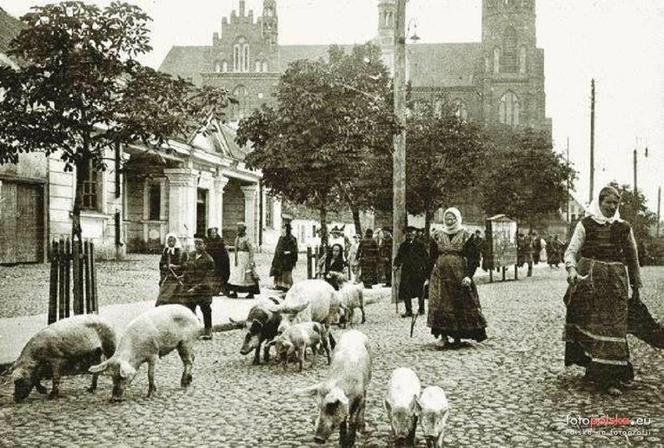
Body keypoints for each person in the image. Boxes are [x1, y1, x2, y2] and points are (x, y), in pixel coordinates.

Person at [564, 185, 664, 395]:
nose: (611, 206)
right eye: (607, 202)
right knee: (594, 324)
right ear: (599, 203)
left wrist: (636, 287)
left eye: (615, 203)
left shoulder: (624, 227)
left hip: (617, 283)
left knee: (614, 327)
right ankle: (598, 373)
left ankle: (612, 375)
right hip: (590, 281)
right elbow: (571, 251)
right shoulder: (586, 224)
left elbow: (633, 258)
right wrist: (572, 270)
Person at [428, 207, 487, 348]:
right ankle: (443, 337)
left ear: (457, 219)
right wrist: (429, 273)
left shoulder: (466, 235)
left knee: (458, 304)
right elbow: (431, 256)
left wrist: (468, 276)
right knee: (441, 304)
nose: (449, 221)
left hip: (459, 276)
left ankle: (458, 337)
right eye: (447, 218)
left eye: (452, 218)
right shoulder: (437, 235)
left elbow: (473, 258)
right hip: (441, 277)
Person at [182, 238, 215, 340]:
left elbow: (208, 278)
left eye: (200, 244)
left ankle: (208, 331)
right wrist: (183, 276)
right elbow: (187, 269)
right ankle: (194, 329)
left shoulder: (209, 260)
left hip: (204, 289)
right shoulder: (191, 255)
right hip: (190, 287)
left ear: (205, 246)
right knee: (190, 309)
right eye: (196, 244)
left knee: (206, 309)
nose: (197, 246)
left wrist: (196, 288)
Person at [393, 226, 430, 317]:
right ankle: (408, 310)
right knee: (406, 290)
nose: (409, 235)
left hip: (418, 271)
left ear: (415, 234)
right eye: (408, 233)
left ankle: (421, 309)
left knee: (420, 291)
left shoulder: (420, 245)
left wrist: (426, 270)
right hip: (407, 272)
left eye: (411, 233)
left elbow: (426, 258)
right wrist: (396, 265)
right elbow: (399, 257)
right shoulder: (403, 245)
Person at [227, 222, 260, 299]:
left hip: (245, 258)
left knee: (246, 275)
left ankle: (251, 293)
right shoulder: (237, 238)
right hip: (238, 258)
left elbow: (251, 250)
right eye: (238, 228)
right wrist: (234, 257)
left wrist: (251, 261)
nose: (238, 230)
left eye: (240, 229)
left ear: (244, 230)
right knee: (236, 275)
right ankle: (234, 292)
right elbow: (236, 248)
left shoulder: (247, 238)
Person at [156, 233, 188, 306]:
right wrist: (164, 266)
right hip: (167, 276)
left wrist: (176, 267)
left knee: (175, 296)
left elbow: (185, 265)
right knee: (164, 294)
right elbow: (161, 262)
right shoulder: (166, 251)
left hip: (177, 277)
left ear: (175, 241)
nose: (171, 243)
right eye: (169, 241)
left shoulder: (181, 252)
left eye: (172, 241)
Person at [270, 222, 298, 292]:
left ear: (287, 230)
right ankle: (279, 285)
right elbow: (278, 248)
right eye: (282, 229)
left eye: (284, 229)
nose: (282, 230)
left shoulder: (292, 239)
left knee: (286, 272)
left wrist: (288, 253)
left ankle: (287, 286)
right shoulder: (281, 238)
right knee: (279, 272)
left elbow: (294, 250)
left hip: (287, 259)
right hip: (279, 258)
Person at [205, 227, 230, 295]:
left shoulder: (220, 240)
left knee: (221, 275)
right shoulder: (207, 241)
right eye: (212, 233)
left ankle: (223, 290)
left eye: (215, 233)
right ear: (209, 234)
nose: (214, 234)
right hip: (213, 261)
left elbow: (223, 251)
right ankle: (215, 290)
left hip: (221, 261)